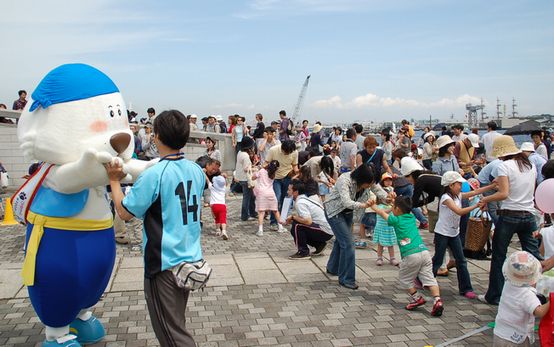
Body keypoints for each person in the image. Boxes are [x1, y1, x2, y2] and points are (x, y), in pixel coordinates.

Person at [107, 109, 203, 347]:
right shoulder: (196, 170)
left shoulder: (155, 174)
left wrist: (113, 179)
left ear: (157, 136)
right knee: (176, 323)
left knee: (172, 336)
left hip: (164, 265)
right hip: (189, 260)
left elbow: (125, 212)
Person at [478, 135, 542, 305]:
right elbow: (525, 189)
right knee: (534, 256)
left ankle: (494, 295)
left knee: (499, 256)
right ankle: (538, 292)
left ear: (501, 153)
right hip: (528, 215)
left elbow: (504, 193)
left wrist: (485, 199)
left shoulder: (504, 166)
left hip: (509, 215)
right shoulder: (530, 165)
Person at [369, 196, 444, 316]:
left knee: (405, 279)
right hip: (424, 252)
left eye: (393, 207)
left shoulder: (396, 220)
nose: (392, 208)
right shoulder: (412, 217)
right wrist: (395, 201)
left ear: (397, 209)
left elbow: (383, 213)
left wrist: (373, 207)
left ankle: (417, 298)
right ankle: (437, 301)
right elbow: (401, 208)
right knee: (430, 279)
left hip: (410, 255)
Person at [432, 171, 495, 299]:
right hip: (442, 233)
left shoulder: (457, 196)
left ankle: (466, 288)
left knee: (461, 260)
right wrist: (476, 205)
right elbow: (459, 211)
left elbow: (474, 192)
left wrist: (491, 186)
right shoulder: (446, 198)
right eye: (459, 184)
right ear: (450, 185)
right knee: (438, 260)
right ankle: (424, 280)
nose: (461, 186)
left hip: (454, 233)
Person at [325, 164, 376, 290]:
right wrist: (363, 205)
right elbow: (346, 201)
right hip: (334, 212)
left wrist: (389, 198)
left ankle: (333, 268)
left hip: (347, 213)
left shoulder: (367, 181)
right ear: (361, 179)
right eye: (368, 184)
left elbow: (379, 191)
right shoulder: (345, 179)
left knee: (341, 241)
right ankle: (346, 279)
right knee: (348, 244)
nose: (369, 186)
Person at [493, 251, 549, 346]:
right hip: (516, 338)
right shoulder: (527, 295)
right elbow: (539, 312)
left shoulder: (508, 284)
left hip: (500, 333)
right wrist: (551, 301)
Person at [284, 179, 334, 259]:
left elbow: (308, 221)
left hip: (325, 231)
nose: (287, 192)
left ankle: (303, 252)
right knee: (297, 224)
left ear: (296, 192)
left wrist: (293, 217)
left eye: (289, 190)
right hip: (327, 230)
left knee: (297, 226)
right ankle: (319, 245)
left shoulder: (300, 202)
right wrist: (293, 218)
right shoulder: (304, 199)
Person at [266, 140, 299, 228]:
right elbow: (266, 163)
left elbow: (294, 164)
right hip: (275, 178)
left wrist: (297, 172)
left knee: (285, 199)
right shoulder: (273, 150)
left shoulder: (294, 152)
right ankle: (273, 221)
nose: (288, 153)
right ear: (282, 148)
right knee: (277, 198)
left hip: (287, 177)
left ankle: (281, 219)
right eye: (286, 152)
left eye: (290, 152)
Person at [253, 160, 286, 236]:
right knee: (275, 210)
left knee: (261, 212)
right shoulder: (273, 174)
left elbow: (253, 177)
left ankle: (260, 230)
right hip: (271, 193)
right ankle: (280, 227)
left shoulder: (262, 171)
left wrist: (259, 169)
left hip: (262, 193)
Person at [374, 173, 399, 266]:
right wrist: (392, 207)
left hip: (389, 226)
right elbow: (384, 212)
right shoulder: (380, 206)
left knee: (390, 243)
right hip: (381, 226)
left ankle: (392, 258)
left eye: (390, 180)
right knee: (380, 244)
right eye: (386, 180)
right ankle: (379, 257)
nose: (388, 182)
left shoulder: (391, 203)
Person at [235, 137, 257, 222]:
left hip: (241, 177)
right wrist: (254, 168)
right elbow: (246, 169)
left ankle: (252, 213)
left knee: (251, 197)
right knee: (247, 197)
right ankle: (245, 216)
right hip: (246, 179)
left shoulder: (240, 152)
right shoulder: (245, 156)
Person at [209, 175, 228, 240]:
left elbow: (208, 181)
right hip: (222, 206)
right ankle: (224, 231)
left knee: (217, 218)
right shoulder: (224, 188)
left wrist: (204, 174)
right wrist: (225, 178)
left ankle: (217, 230)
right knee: (223, 219)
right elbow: (225, 184)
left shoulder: (212, 188)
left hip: (214, 206)